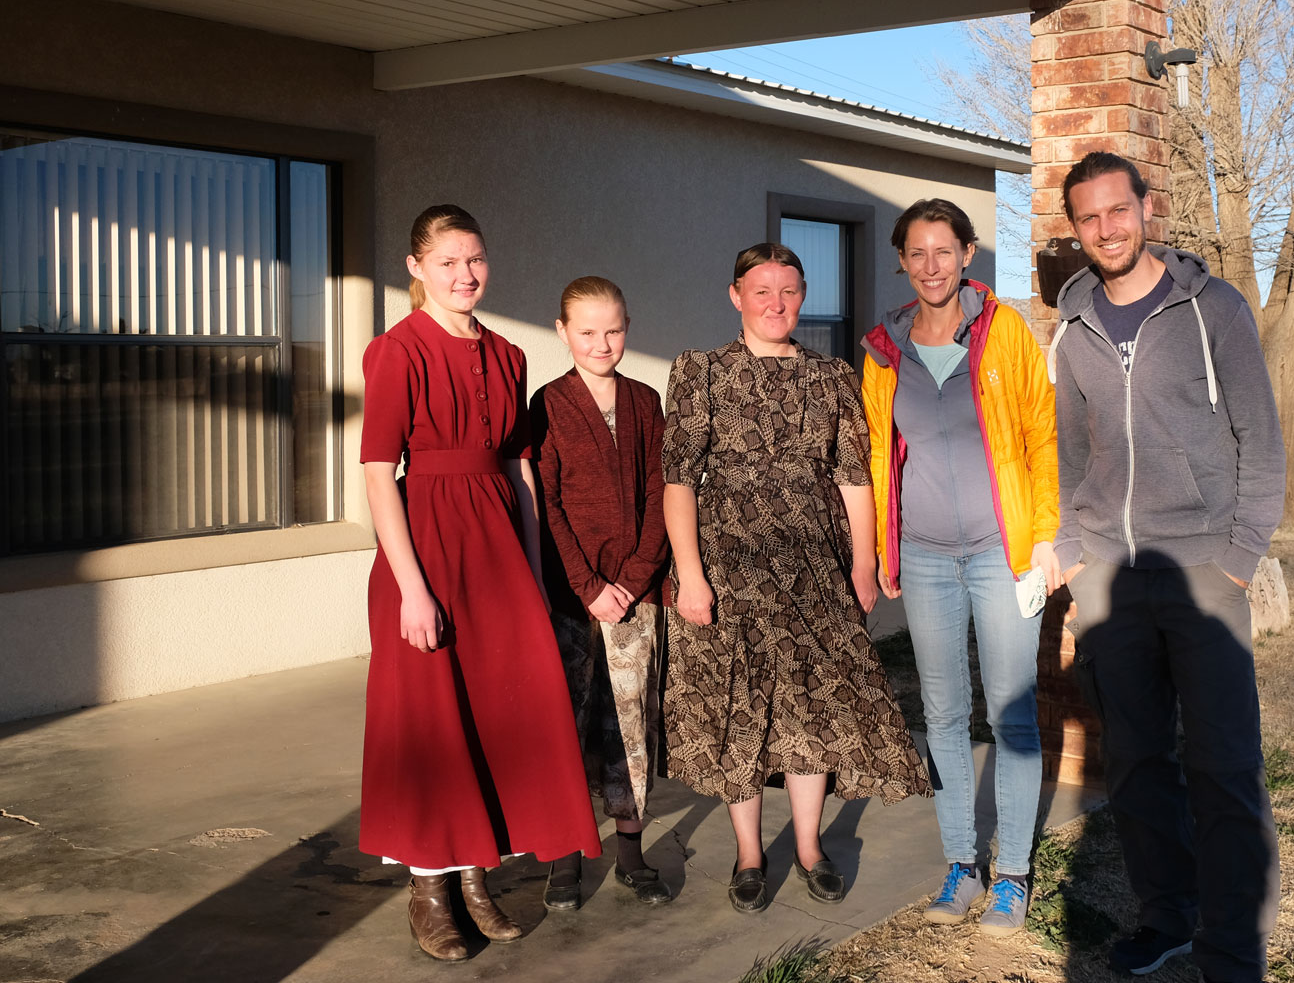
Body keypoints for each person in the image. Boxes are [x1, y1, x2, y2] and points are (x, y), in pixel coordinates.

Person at [1049, 153, 1286, 983]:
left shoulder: (1212, 307)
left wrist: (1239, 559)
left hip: (1202, 573)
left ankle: (1232, 947)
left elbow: (1261, 439)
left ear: (1147, 209)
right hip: (1111, 577)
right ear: (1074, 228)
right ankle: (1170, 917)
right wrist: (1075, 553)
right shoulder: (1072, 325)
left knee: (1223, 766)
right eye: (1090, 218)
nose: (1107, 229)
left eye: (1119, 211)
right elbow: (1071, 450)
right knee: (1140, 763)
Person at [359, 205, 601, 961]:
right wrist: (412, 588)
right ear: (417, 268)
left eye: (475, 260)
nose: (464, 276)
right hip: (426, 549)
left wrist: (531, 572)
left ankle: (475, 877)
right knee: (433, 720)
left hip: (498, 554)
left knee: (496, 716)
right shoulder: (396, 352)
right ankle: (429, 887)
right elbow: (376, 474)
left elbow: (520, 470)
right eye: (448, 263)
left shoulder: (505, 353)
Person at [661, 243, 929, 914]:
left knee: (815, 705)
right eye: (761, 291)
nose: (775, 304)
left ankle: (808, 846)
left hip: (814, 565)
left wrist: (863, 563)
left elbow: (853, 475)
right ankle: (751, 854)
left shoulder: (833, 376)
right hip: (727, 564)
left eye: (788, 291)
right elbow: (678, 482)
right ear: (736, 295)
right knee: (739, 709)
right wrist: (690, 576)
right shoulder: (701, 372)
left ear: (802, 296)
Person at [860, 198, 1059, 938]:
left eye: (945, 251)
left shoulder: (1003, 330)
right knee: (942, 713)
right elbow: (880, 452)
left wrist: (1044, 538)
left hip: (1003, 555)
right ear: (902, 261)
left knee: (1011, 714)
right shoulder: (885, 349)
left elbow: (1043, 435)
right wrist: (884, 548)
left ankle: (1012, 876)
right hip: (926, 557)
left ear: (968, 254)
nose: (932, 266)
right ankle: (960, 864)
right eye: (917, 253)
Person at [531, 276, 673, 909]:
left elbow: (658, 495)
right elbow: (547, 503)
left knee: (629, 719)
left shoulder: (644, 402)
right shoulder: (549, 405)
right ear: (563, 332)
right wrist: (588, 586)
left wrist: (636, 578)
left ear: (627, 327)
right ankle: (564, 857)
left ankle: (631, 852)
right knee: (567, 721)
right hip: (569, 596)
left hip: (634, 594)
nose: (601, 342)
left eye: (613, 329)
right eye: (587, 331)